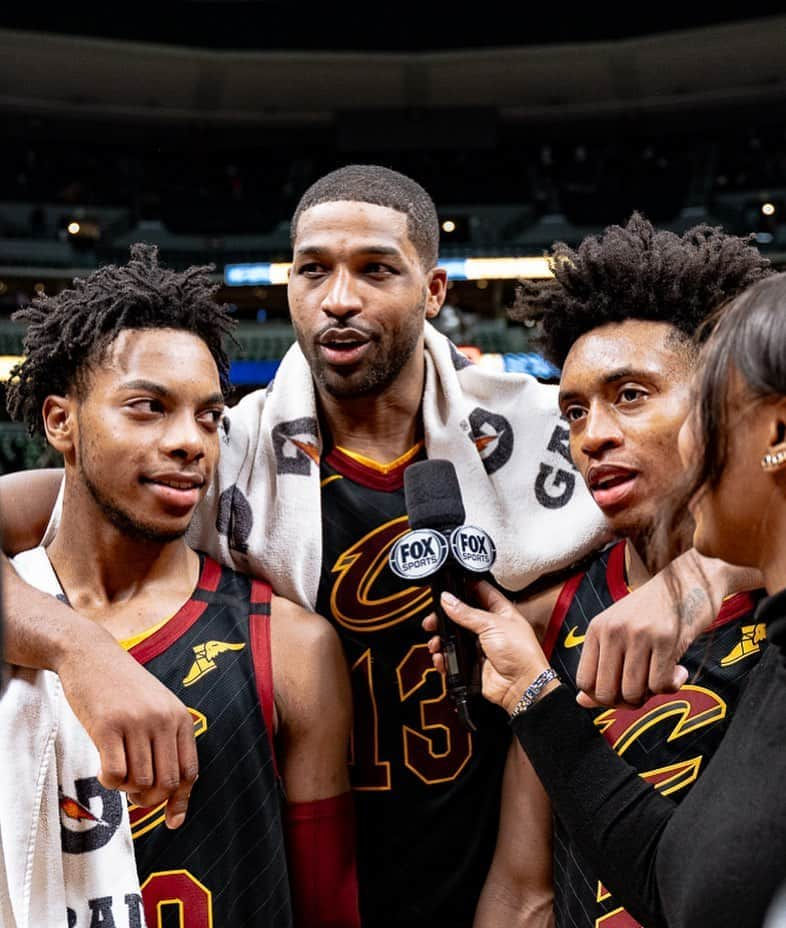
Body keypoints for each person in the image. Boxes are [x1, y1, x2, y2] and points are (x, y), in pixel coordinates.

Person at [0, 166, 757, 927]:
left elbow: (749, 477)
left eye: (375, 269)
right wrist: (77, 647)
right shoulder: (220, 451)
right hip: (306, 862)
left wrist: (692, 576)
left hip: (496, 863)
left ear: (433, 293)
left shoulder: (543, 432)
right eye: (313, 270)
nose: (338, 298)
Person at [0, 245, 358, 928]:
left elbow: (327, 903)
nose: (191, 441)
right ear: (59, 423)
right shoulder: (23, 600)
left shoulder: (290, 646)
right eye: (147, 407)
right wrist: (81, 648)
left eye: (207, 416)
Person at [436, 271, 786, 928]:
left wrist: (699, 578)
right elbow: (524, 891)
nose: (592, 436)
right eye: (573, 412)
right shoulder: (550, 613)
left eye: (631, 395)